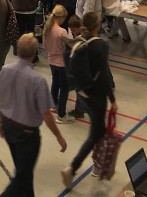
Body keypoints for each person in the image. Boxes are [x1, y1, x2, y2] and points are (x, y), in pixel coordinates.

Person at [0, 34, 67, 196]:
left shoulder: (5, 70)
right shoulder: (37, 80)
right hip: (26, 135)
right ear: (35, 54)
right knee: (22, 177)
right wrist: (58, 136)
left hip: (9, 128)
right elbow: (46, 114)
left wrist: (1, 123)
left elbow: (0, 99)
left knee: (24, 174)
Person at [58, 11, 115, 188]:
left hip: (84, 92)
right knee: (96, 132)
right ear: (97, 25)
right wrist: (112, 99)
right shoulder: (101, 46)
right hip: (97, 94)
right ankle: (73, 168)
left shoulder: (78, 41)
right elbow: (104, 75)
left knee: (97, 130)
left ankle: (97, 165)